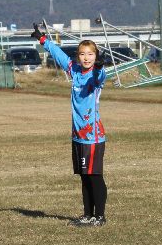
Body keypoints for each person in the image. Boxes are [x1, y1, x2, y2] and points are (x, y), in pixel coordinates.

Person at [31, 23, 108, 227]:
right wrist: (43, 40)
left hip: (93, 136)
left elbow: (100, 77)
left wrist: (100, 67)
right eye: (82, 54)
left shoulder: (95, 75)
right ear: (78, 56)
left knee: (94, 176)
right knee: (84, 176)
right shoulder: (74, 70)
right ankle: (87, 214)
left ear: (96, 56)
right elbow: (59, 55)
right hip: (78, 135)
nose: (86, 58)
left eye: (90, 54)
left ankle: (100, 216)